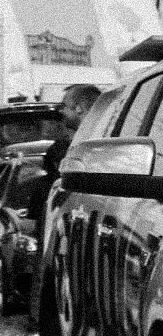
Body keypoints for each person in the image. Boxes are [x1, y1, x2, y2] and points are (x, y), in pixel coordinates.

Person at [30, 84, 103, 234]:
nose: (61, 111)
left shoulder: (93, 144)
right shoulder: (72, 144)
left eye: (64, 105)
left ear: (78, 108)